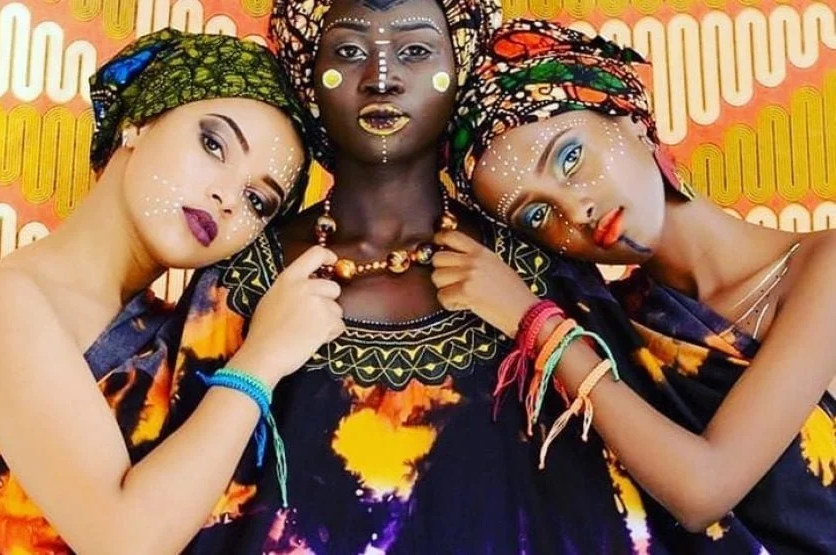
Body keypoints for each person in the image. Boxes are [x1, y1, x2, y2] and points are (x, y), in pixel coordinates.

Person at [164, 3, 767, 554]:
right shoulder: (242, 278)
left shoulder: (538, 268)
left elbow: (662, 486)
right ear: (308, 79)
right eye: (347, 51)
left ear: (460, 70)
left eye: (415, 50)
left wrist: (534, 320)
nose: (381, 78)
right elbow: (166, 506)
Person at [445, 19, 836, 553]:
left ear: (629, 116)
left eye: (569, 158)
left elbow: (704, 490)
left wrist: (534, 323)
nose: (574, 210)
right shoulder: (619, 332)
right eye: (537, 215)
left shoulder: (824, 267)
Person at [0, 29, 345, 554]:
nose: (227, 198)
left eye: (258, 200)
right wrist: (262, 361)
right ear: (139, 123)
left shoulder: (184, 341)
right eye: (214, 145)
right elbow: (125, 541)